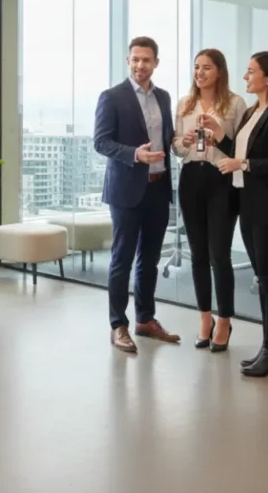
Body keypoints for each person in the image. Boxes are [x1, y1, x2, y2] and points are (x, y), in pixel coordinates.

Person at [201, 51, 268, 377]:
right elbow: (238, 152)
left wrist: (242, 164)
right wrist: (219, 134)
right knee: (264, 279)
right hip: (250, 205)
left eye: (251, 71)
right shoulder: (253, 112)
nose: (246, 77)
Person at [94, 36, 181, 353]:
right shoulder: (112, 97)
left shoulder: (165, 97)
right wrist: (134, 154)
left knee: (150, 259)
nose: (140, 65)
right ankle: (119, 324)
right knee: (122, 259)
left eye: (146, 59)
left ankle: (145, 319)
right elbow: (101, 142)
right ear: (128, 61)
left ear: (156, 62)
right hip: (126, 190)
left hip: (158, 187)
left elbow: (168, 138)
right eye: (135, 59)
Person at [172, 49, 247, 352]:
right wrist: (184, 142)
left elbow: (241, 149)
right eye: (196, 67)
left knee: (219, 254)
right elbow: (176, 147)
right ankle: (205, 318)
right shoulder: (185, 103)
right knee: (198, 254)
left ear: (219, 72)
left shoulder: (235, 103)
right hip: (191, 178)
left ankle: (225, 320)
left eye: (206, 68)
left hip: (221, 179)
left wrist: (218, 136)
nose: (199, 73)